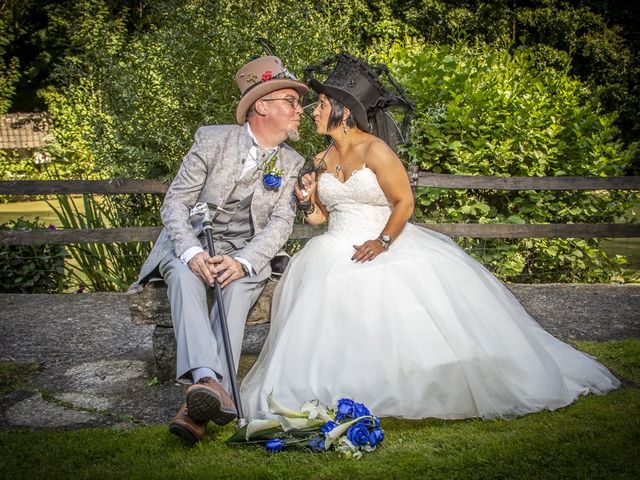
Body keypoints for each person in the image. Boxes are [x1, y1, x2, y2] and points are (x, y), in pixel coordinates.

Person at [240, 54, 619, 420]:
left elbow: (404, 201)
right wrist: (306, 201)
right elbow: (321, 217)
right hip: (333, 246)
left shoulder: (376, 150)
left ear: (342, 108)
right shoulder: (322, 159)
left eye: (320, 104)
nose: (313, 111)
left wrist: (382, 242)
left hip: (381, 242)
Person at [130, 55, 308, 442]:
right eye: (291, 103)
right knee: (181, 275)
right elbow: (175, 202)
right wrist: (193, 252)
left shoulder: (293, 162)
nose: (300, 112)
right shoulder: (211, 140)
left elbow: (281, 224)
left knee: (236, 290)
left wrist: (243, 261)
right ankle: (212, 384)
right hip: (192, 243)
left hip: (246, 252)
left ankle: (199, 399)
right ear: (262, 106)